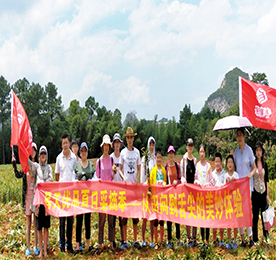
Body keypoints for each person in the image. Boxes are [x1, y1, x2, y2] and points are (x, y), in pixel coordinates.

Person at [12, 142, 39, 256]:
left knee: (35, 224)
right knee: (28, 224)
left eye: (33, 150)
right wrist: (14, 164)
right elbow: (18, 175)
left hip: (36, 197)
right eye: (30, 150)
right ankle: (28, 247)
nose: (32, 152)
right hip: (27, 197)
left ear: (36, 152)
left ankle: (36, 246)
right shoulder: (25, 165)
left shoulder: (37, 166)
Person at [119, 127, 141, 250]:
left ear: (133, 138)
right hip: (126, 188)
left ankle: (135, 240)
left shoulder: (137, 152)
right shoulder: (123, 153)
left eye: (131, 137)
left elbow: (138, 169)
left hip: (135, 188)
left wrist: (137, 179)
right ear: (126, 139)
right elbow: (120, 169)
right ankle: (125, 240)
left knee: (135, 215)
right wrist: (124, 179)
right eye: (128, 137)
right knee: (125, 215)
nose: (130, 140)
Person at [29, 145, 53, 258]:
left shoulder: (49, 168)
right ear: (39, 156)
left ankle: (45, 250)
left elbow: (51, 181)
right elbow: (28, 164)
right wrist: (23, 153)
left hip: (46, 202)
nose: (43, 156)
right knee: (38, 228)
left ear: (46, 156)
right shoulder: (36, 167)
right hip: (38, 203)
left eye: (44, 154)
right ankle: (41, 252)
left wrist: (43, 183)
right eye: (41, 154)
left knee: (46, 227)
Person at [234, 127, 256, 248]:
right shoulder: (236, 152)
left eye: (241, 135)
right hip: (238, 188)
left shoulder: (249, 150)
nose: (239, 137)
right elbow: (235, 170)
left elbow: (254, 167)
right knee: (239, 213)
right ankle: (242, 240)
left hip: (247, 187)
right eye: (237, 135)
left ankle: (250, 238)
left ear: (244, 136)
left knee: (247, 212)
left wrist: (250, 174)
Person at [55, 133, 77, 254]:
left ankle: (70, 246)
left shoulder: (74, 158)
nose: (64, 145)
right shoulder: (59, 158)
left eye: (66, 143)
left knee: (70, 221)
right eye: (63, 143)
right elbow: (57, 176)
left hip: (72, 194)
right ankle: (62, 246)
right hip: (62, 194)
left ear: (69, 143)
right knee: (62, 221)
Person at [74, 142, 96, 253]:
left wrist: (91, 181)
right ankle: (78, 246)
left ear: (87, 152)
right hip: (79, 197)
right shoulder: (77, 165)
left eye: (85, 151)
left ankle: (88, 245)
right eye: (82, 151)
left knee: (87, 221)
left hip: (88, 197)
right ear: (80, 152)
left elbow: (95, 178)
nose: (83, 153)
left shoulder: (91, 165)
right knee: (79, 221)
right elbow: (73, 179)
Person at [96, 134, 117, 249]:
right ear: (102, 147)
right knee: (101, 219)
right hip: (102, 194)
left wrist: (114, 173)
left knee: (111, 219)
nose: (106, 148)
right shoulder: (99, 161)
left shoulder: (112, 159)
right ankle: (100, 243)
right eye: (104, 146)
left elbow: (112, 175)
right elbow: (97, 177)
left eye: (107, 146)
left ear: (109, 147)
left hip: (111, 193)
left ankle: (111, 242)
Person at [194, 144, 213, 245]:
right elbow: (195, 177)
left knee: (207, 217)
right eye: (200, 151)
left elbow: (211, 180)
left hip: (207, 194)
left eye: (203, 152)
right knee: (201, 217)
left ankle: (207, 239)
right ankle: (202, 239)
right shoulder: (197, 165)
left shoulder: (208, 166)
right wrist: (197, 182)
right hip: (199, 195)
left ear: (205, 153)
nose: (201, 154)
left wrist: (208, 184)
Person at [180, 138, 197, 248]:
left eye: (191, 145)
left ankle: (195, 238)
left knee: (194, 214)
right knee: (187, 213)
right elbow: (181, 174)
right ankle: (189, 237)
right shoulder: (183, 160)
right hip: (186, 190)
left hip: (194, 191)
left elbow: (196, 175)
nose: (190, 147)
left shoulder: (195, 160)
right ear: (186, 147)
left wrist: (196, 181)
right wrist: (182, 179)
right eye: (188, 145)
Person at [149, 148, 166, 249]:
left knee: (162, 220)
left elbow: (165, 182)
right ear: (155, 158)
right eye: (157, 157)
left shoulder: (163, 170)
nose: (159, 159)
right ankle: (156, 241)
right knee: (155, 220)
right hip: (155, 198)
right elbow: (150, 183)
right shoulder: (153, 171)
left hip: (162, 198)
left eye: (160, 158)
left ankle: (161, 241)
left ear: (162, 158)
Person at [252, 141, 269, 243]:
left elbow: (266, 179)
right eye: (257, 150)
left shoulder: (265, 164)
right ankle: (255, 239)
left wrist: (267, 194)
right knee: (255, 217)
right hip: (255, 192)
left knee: (264, 216)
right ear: (255, 152)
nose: (258, 152)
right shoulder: (253, 164)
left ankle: (266, 237)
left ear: (262, 152)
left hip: (263, 193)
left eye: (260, 150)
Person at [140, 136, 156, 247]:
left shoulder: (155, 159)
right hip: (146, 190)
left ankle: (152, 240)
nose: (151, 146)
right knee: (145, 216)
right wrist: (144, 185)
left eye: (153, 144)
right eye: (149, 144)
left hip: (153, 191)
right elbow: (142, 174)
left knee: (151, 216)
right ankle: (143, 239)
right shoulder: (144, 159)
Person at [165, 145, 181, 248]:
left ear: (174, 154)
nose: (171, 155)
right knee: (169, 219)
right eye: (169, 153)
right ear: (168, 155)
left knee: (177, 219)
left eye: (172, 153)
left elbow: (180, 178)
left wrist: (177, 181)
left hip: (177, 195)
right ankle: (169, 240)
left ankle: (178, 239)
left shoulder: (177, 165)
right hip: (168, 196)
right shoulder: (166, 166)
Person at [110, 133, 124, 247]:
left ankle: (123, 239)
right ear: (113, 144)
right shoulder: (110, 158)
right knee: (113, 217)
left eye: (118, 142)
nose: (117, 145)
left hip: (122, 189)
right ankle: (113, 240)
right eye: (115, 143)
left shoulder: (122, 156)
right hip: (113, 190)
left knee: (122, 217)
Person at [212, 152, 226, 247]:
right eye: (215, 161)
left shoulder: (225, 174)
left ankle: (221, 239)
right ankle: (214, 240)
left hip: (223, 200)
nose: (217, 163)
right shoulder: (212, 174)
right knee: (214, 221)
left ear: (221, 162)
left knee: (221, 221)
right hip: (214, 200)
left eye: (219, 161)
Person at [225, 155, 239, 249]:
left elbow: (239, 187)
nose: (230, 164)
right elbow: (223, 188)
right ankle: (229, 241)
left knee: (235, 222)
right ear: (226, 164)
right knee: (228, 223)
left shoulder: (236, 175)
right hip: (227, 202)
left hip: (235, 202)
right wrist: (227, 182)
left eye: (231, 162)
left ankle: (235, 240)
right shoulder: (225, 175)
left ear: (233, 164)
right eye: (228, 162)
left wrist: (235, 181)